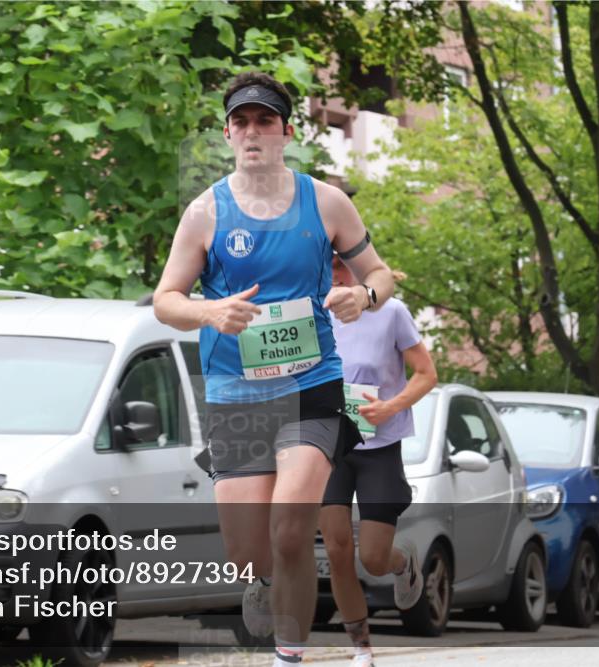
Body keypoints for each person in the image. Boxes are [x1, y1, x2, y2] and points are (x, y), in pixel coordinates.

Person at [153, 71, 395, 666]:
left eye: (265, 120)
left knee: (291, 527)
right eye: (241, 122)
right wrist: (210, 312)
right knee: (249, 554)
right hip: (236, 394)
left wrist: (362, 297)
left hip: (312, 385)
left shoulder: (327, 202)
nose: (253, 131)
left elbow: (380, 274)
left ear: (286, 132)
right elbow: (166, 300)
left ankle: (288, 656)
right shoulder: (205, 212)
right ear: (228, 134)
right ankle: (261, 581)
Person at [319, 260, 438, 666]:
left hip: (379, 445)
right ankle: (361, 648)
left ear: (361, 272)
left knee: (372, 558)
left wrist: (391, 406)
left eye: (343, 267)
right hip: (330, 444)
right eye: (329, 267)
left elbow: (426, 374)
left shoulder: (391, 312)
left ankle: (402, 563)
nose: (336, 275)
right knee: (336, 549)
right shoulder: (312, 311)